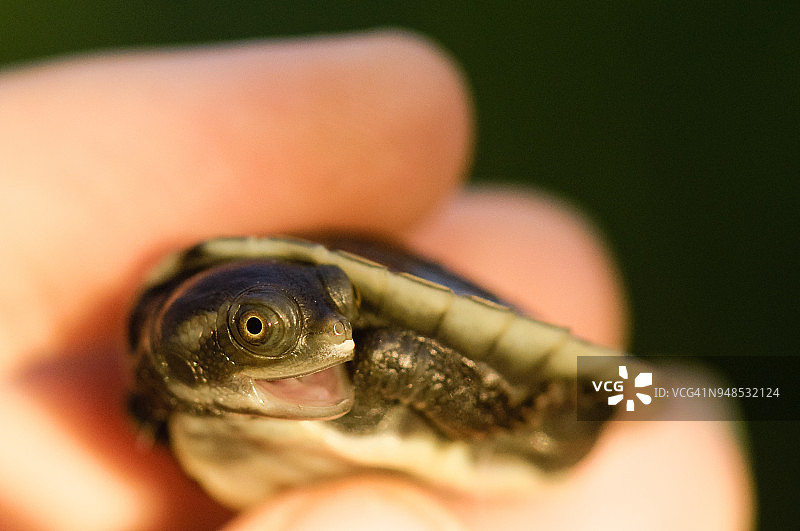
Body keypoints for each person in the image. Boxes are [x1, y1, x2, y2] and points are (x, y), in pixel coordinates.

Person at [0, 30, 752, 530]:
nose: (338, 338)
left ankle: (732, 387)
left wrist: (491, 409)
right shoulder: (152, 367)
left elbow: (370, 341)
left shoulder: (369, 348)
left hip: (513, 417)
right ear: (184, 342)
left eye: (340, 312)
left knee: (605, 395)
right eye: (258, 329)